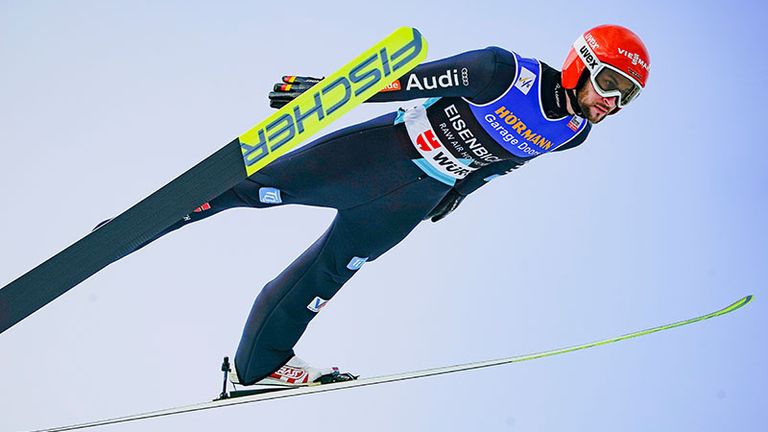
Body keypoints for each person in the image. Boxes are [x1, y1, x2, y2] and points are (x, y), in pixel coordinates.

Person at [108, 24, 650, 388]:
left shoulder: (574, 133)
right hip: (375, 156)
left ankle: (257, 367)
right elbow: (405, 81)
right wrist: (325, 92)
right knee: (248, 187)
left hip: (409, 202)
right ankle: (130, 230)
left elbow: (505, 161)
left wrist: (459, 193)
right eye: (609, 83)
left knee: (327, 276)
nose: (611, 101)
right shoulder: (501, 72)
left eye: (626, 97)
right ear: (579, 65)